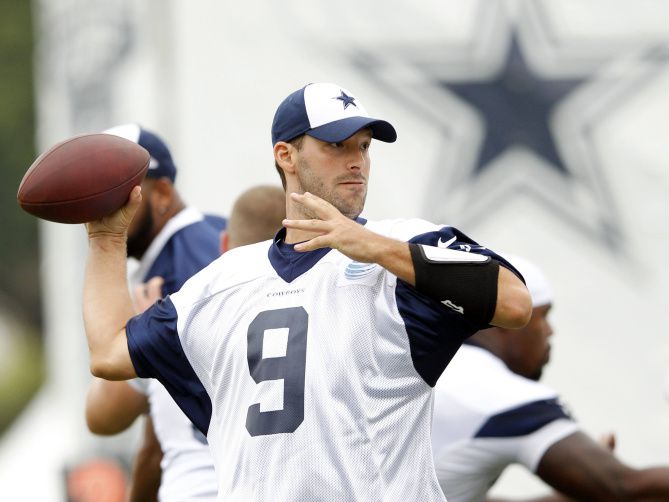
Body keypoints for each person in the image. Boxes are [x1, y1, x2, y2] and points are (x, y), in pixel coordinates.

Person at [81, 82, 532, 501]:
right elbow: (109, 353)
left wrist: (371, 245)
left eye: (364, 146)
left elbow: (514, 303)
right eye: (336, 145)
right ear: (286, 156)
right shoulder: (224, 279)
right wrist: (106, 239)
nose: (357, 160)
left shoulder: (399, 245)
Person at [431, 255, 669, 502]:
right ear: (507, 314)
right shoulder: (504, 397)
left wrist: (576, 487)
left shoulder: (433, 363)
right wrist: (599, 479)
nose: (550, 331)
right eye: (543, 316)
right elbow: (624, 489)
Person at [85, 123, 228, 502]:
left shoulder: (175, 275)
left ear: (162, 192)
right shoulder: (215, 232)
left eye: (117, 192)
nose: (101, 205)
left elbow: (106, 416)